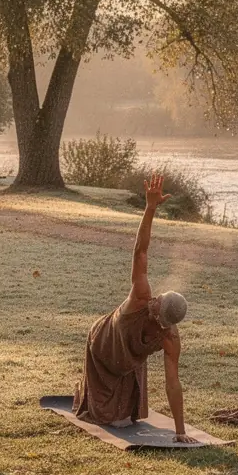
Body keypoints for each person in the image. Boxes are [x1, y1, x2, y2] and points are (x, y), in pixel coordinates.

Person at [73, 174, 196, 442]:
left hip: (127, 359)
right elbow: (141, 250)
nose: (154, 300)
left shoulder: (165, 331)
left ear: (159, 312)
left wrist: (181, 432)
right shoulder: (144, 301)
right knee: (107, 417)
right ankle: (90, 396)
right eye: (158, 298)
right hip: (103, 343)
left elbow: (172, 384)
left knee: (125, 420)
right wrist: (149, 209)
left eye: (157, 302)